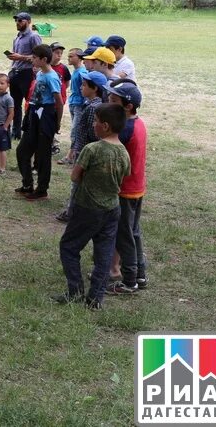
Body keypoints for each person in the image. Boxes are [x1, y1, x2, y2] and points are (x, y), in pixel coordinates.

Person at [52, 103, 130, 310]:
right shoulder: (124, 152)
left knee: (69, 247)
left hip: (87, 208)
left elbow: (75, 175)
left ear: (105, 126)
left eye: (95, 121)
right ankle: (95, 299)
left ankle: (75, 291)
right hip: (112, 209)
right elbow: (125, 176)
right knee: (104, 255)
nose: (93, 125)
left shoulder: (92, 149)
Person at [104, 80, 148, 294]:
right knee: (134, 231)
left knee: (124, 236)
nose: (109, 103)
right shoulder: (139, 123)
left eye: (113, 101)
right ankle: (140, 273)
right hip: (137, 187)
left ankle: (129, 280)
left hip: (125, 189)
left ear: (128, 106)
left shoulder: (125, 128)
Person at [55, 70, 108, 223]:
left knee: (77, 184)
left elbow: (93, 134)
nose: (80, 87)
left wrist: (81, 149)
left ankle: (71, 213)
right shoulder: (90, 104)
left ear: (95, 88)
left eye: (84, 85)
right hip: (83, 149)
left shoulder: (93, 108)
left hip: (85, 152)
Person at [15, 44, 62, 201]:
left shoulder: (52, 77)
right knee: (22, 151)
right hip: (34, 114)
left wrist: (58, 122)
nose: (32, 60)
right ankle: (27, 184)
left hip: (46, 115)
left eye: (34, 58)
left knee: (43, 155)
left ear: (43, 59)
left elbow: (58, 102)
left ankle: (42, 190)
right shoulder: (40, 73)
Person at [4, 11, 40, 139]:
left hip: (27, 74)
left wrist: (21, 57)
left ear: (29, 22)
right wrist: (13, 59)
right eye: (16, 20)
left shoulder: (33, 37)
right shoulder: (17, 37)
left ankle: (29, 130)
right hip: (15, 73)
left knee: (29, 104)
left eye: (20, 20)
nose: (17, 23)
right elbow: (17, 56)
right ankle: (16, 132)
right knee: (15, 104)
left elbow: (39, 56)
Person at [59, 48, 89, 165]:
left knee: (75, 131)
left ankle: (70, 156)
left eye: (72, 56)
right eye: (68, 56)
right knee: (75, 129)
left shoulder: (82, 73)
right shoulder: (76, 71)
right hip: (73, 103)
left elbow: (86, 89)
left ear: (79, 58)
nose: (68, 58)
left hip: (79, 105)